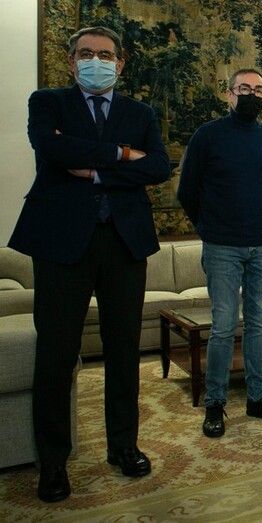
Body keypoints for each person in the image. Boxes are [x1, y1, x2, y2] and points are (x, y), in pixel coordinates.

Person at [8, 26, 170, 502]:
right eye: (85, 53)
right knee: (56, 355)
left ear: (120, 63)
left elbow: (158, 167)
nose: (95, 61)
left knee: (124, 351)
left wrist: (95, 169)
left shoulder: (140, 112)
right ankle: (53, 463)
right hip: (61, 243)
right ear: (71, 60)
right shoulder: (48, 102)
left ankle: (124, 446)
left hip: (124, 242)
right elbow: (51, 149)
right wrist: (122, 154)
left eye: (104, 54)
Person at [178, 68, 262, 438]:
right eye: (244, 88)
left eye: (258, 90)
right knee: (224, 325)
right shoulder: (207, 135)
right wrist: (209, 227)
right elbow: (187, 191)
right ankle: (215, 402)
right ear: (229, 94)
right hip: (222, 247)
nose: (251, 95)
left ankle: (258, 397)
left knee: (259, 323)